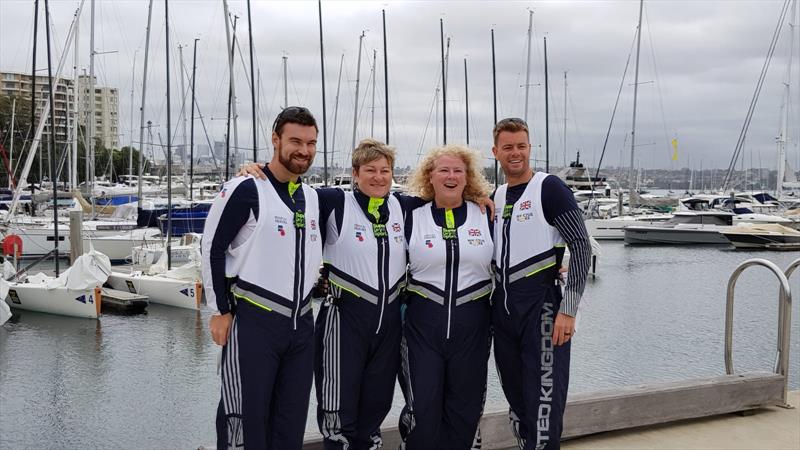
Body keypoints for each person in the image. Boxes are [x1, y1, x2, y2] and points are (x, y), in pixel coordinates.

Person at [201, 106, 323, 450]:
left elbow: (376, 196)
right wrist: (220, 310)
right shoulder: (246, 189)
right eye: (295, 141)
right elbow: (212, 248)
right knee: (244, 420)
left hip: (301, 324)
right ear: (276, 140)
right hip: (255, 320)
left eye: (311, 143)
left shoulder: (312, 197)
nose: (304, 150)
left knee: (290, 423)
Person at [489, 118, 591, 449]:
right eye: (508, 147)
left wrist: (569, 310)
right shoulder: (497, 195)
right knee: (519, 410)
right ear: (496, 152)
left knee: (543, 411)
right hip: (503, 315)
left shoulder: (550, 189)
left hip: (543, 312)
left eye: (521, 146)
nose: (515, 153)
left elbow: (581, 247)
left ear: (529, 148)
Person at [398, 144, 494, 449]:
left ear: (468, 178)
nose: (451, 176)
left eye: (458, 170)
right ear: (430, 176)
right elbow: (362, 197)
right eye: (444, 170)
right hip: (422, 332)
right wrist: (253, 174)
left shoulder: (486, 215)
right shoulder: (410, 214)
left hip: (473, 331)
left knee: (464, 414)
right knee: (421, 412)